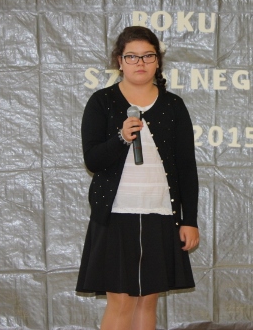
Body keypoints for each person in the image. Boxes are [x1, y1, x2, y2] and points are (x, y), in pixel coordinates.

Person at [76, 26, 199, 330]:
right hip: (116, 215)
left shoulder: (173, 106)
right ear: (120, 61)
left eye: (148, 56)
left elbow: (186, 167)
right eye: (132, 56)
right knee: (121, 302)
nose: (140, 63)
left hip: (160, 213)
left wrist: (189, 220)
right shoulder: (102, 101)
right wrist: (121, 137)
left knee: (147, 301)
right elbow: (93, 159)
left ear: (158, 61)